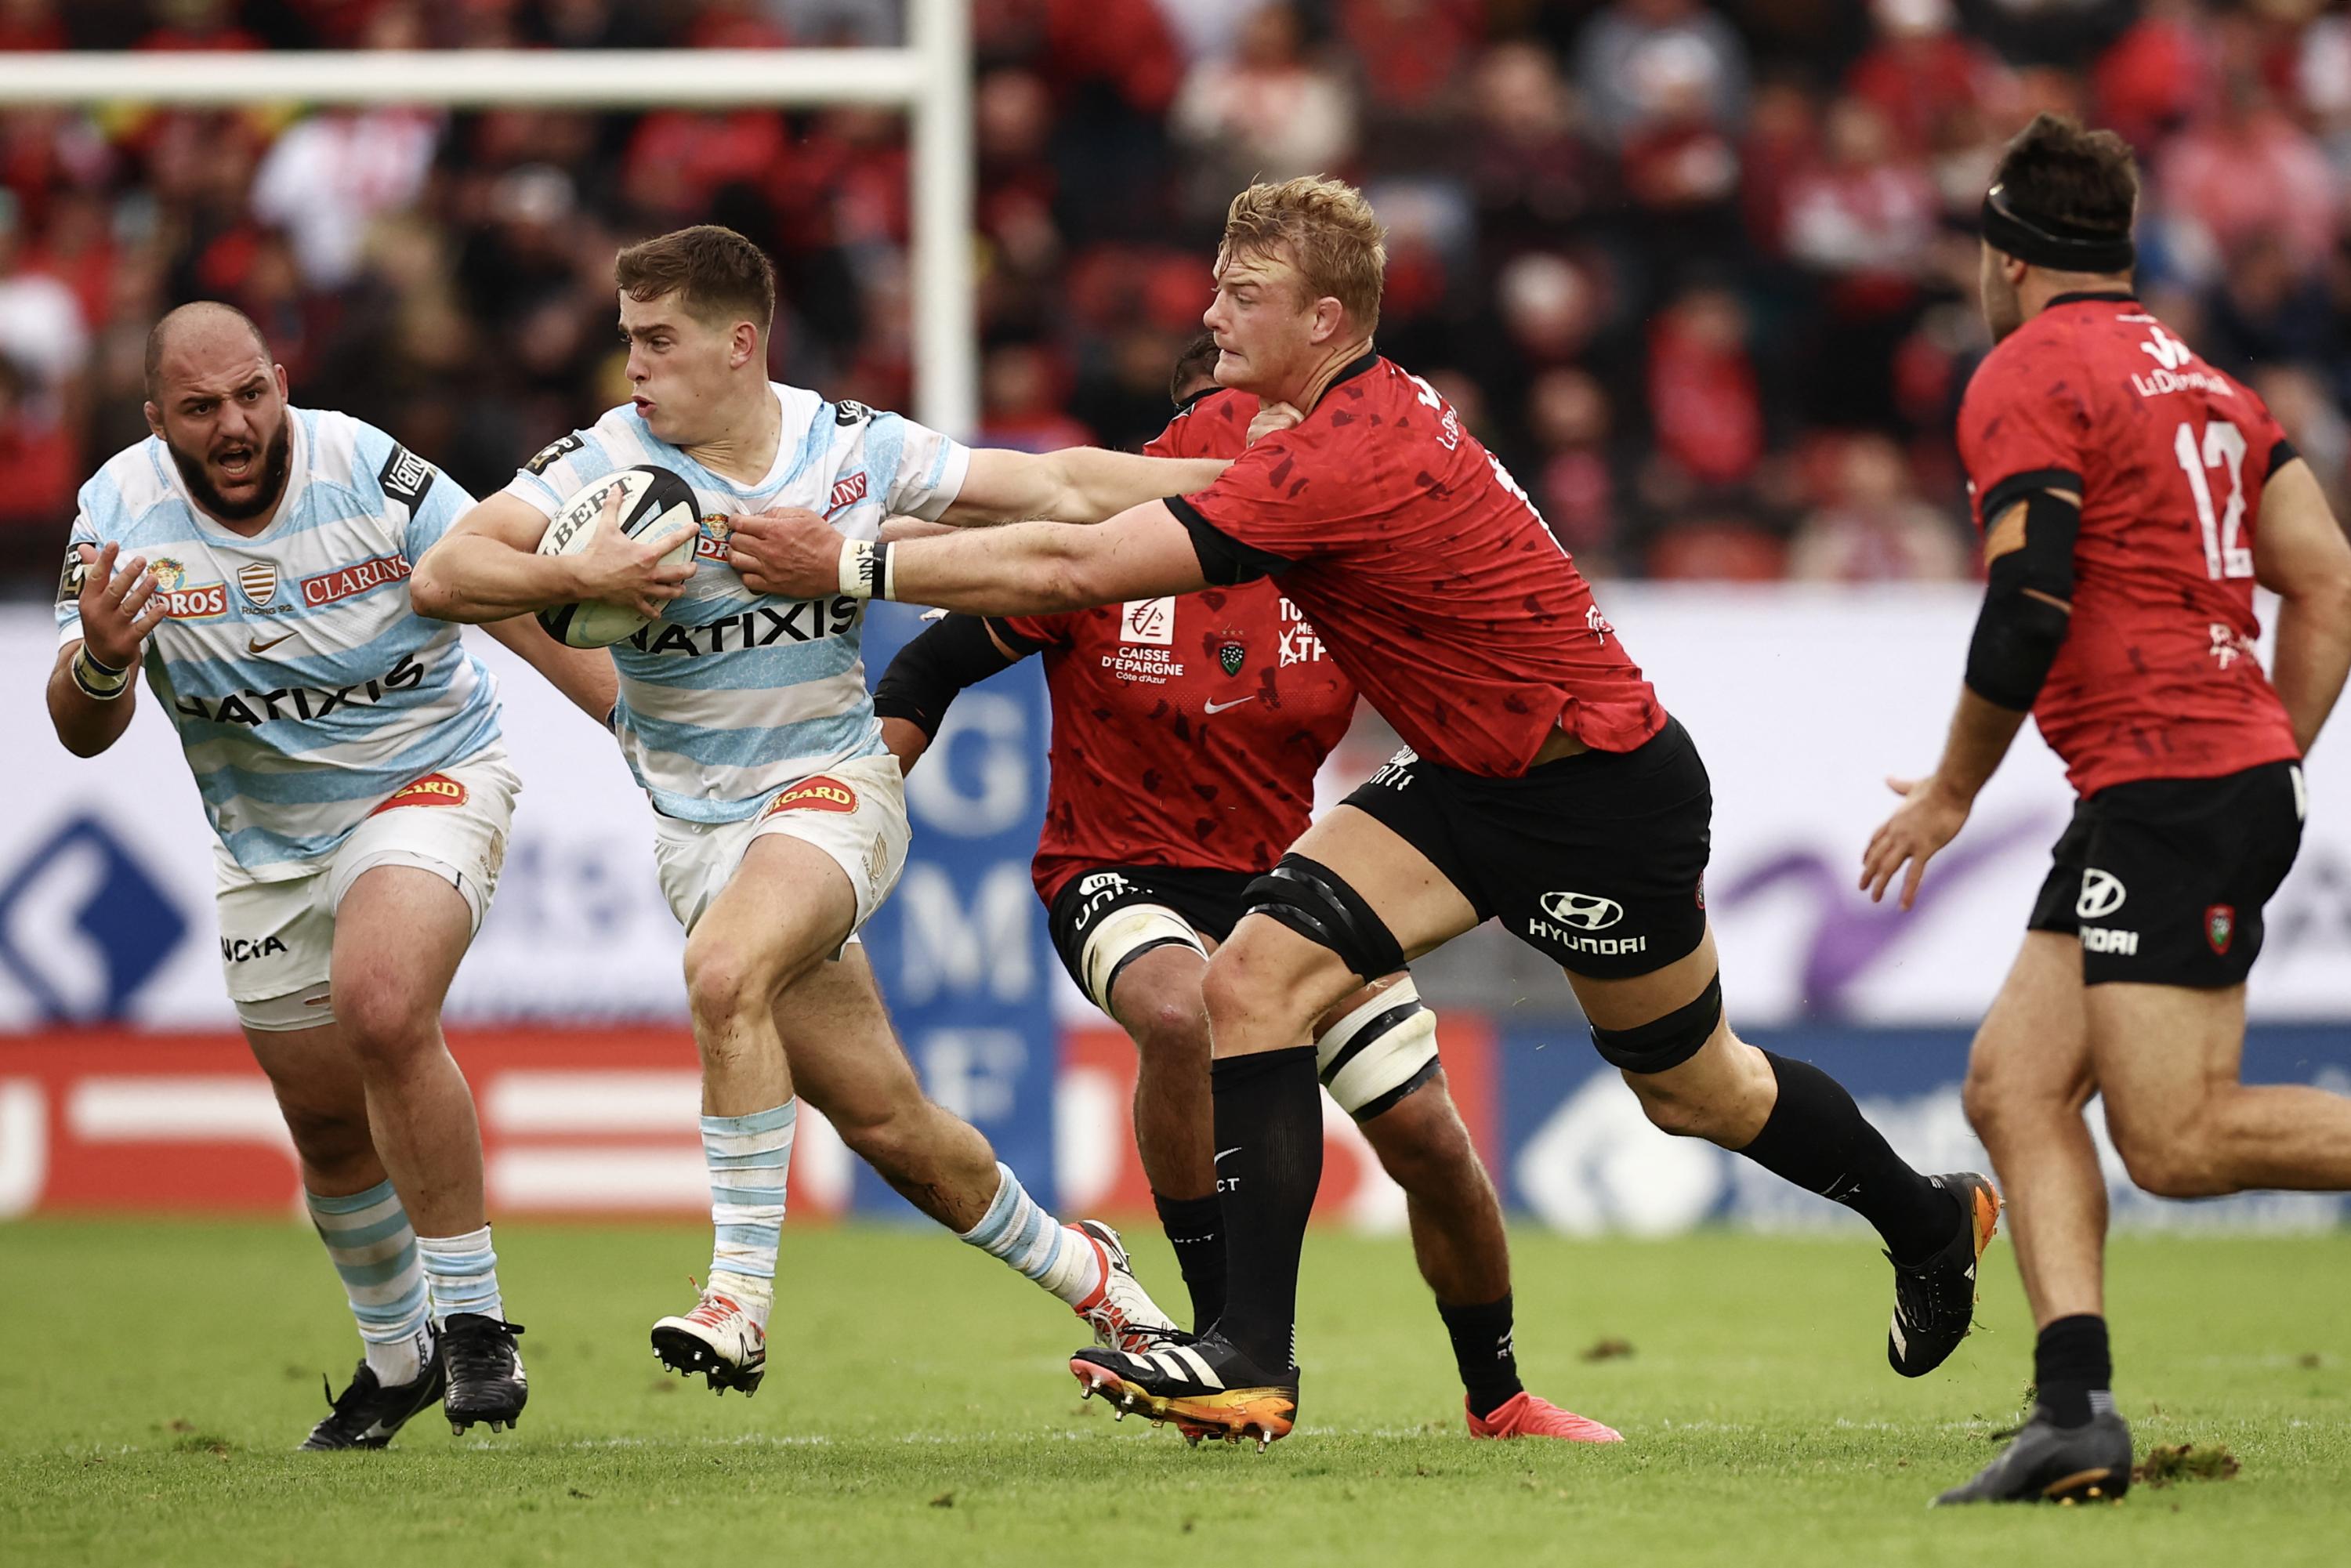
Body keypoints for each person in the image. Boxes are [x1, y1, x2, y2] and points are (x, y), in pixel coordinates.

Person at [722, 177, 1999, 1449]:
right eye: (1217, 284)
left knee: (1694, 1089)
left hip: (1603, 793)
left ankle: (1929, 1220)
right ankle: (1247, 1359)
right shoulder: (1319, 426)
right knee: (1251, 984)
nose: (1212, 311)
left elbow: (1074, 559)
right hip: (1466, 779)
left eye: (1246, 294)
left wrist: (846, 560)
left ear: (1326, 320)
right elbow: (1063, 495)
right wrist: (878, 479)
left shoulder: (1339, 458)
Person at [407, 225, 1211, 1397]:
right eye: (626, 338)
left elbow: (1059, 486)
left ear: (741, 344)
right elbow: (447, 574)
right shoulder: (600, 466)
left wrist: (1254, 489)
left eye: (657, 340)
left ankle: (737, 1299)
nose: (631, 364)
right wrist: (577, 579)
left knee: (726, 973)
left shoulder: (847, 447)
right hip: (699, 829)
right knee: (896, 1130)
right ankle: (1101, 1279)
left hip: (834, 788)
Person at [869, 334, 1617, 1443]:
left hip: (1286, 887)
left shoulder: (1333, 565)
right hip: (1112, 869)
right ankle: (1227, 1338)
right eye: (1208, 425)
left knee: (1430, 1139)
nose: (1230, 445)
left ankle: (1499, 1396)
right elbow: (933, 666)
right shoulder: (1101, 558)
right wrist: (859, 816)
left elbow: (1461, 705)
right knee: (1180, 1009)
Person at [1861, 114, 2351, 1505]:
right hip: (2181, 775)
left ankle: (2074, 1407)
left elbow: (2028, 603)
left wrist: (1955, 789)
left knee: (2178, 1141)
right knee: (2013, 1084)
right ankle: (2074, 1407)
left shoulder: (2026, 373)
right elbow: (2328, 580)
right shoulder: (2211, 382)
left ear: (2008, 257)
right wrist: (2273, 751)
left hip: (2167, 780)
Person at [48, 302, 615, 1447]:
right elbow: (78, 727)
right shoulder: (117, 511)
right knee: (326, 1126)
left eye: (252, 392)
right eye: (201, 407)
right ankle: (396, 1354)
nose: (236, 422)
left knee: (382, 1000)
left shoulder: (369, 471)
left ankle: (473, 1317)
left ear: (281, 380)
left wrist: (644, 733)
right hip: (266, 845)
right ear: (159, 419)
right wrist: (105, 660)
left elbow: (510, 592)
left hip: (430, 777)